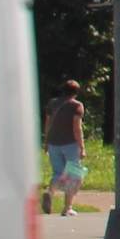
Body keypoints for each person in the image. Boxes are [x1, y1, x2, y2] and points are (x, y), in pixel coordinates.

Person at [42, 79, 89, 217]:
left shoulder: (52, 103)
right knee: (73, 175)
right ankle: (67, 207)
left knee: (58, 173)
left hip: (53, 143)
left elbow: (48, 124)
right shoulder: (76, 106)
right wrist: (82, 146)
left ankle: (50, 191)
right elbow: (77, 127)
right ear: (76, 92)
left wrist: (46, 142)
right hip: (70, 144)